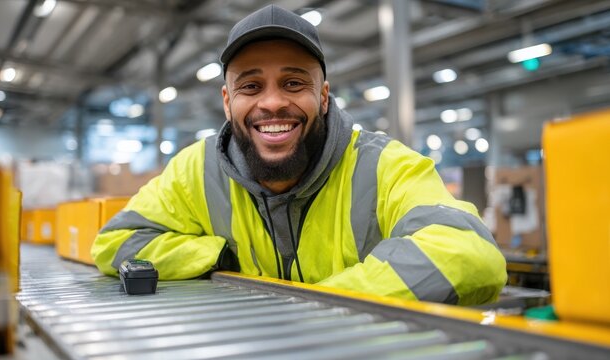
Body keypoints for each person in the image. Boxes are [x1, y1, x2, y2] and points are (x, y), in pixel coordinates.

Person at [92, 4, 506, 306]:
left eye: (293, 83)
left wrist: (317, 302)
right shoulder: (196, 171)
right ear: (226, 101)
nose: (272, 103)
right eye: (250, 87)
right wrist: (217, 255)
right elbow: (116, 243)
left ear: (323, 96)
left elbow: (471, 253)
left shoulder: (382, 167)